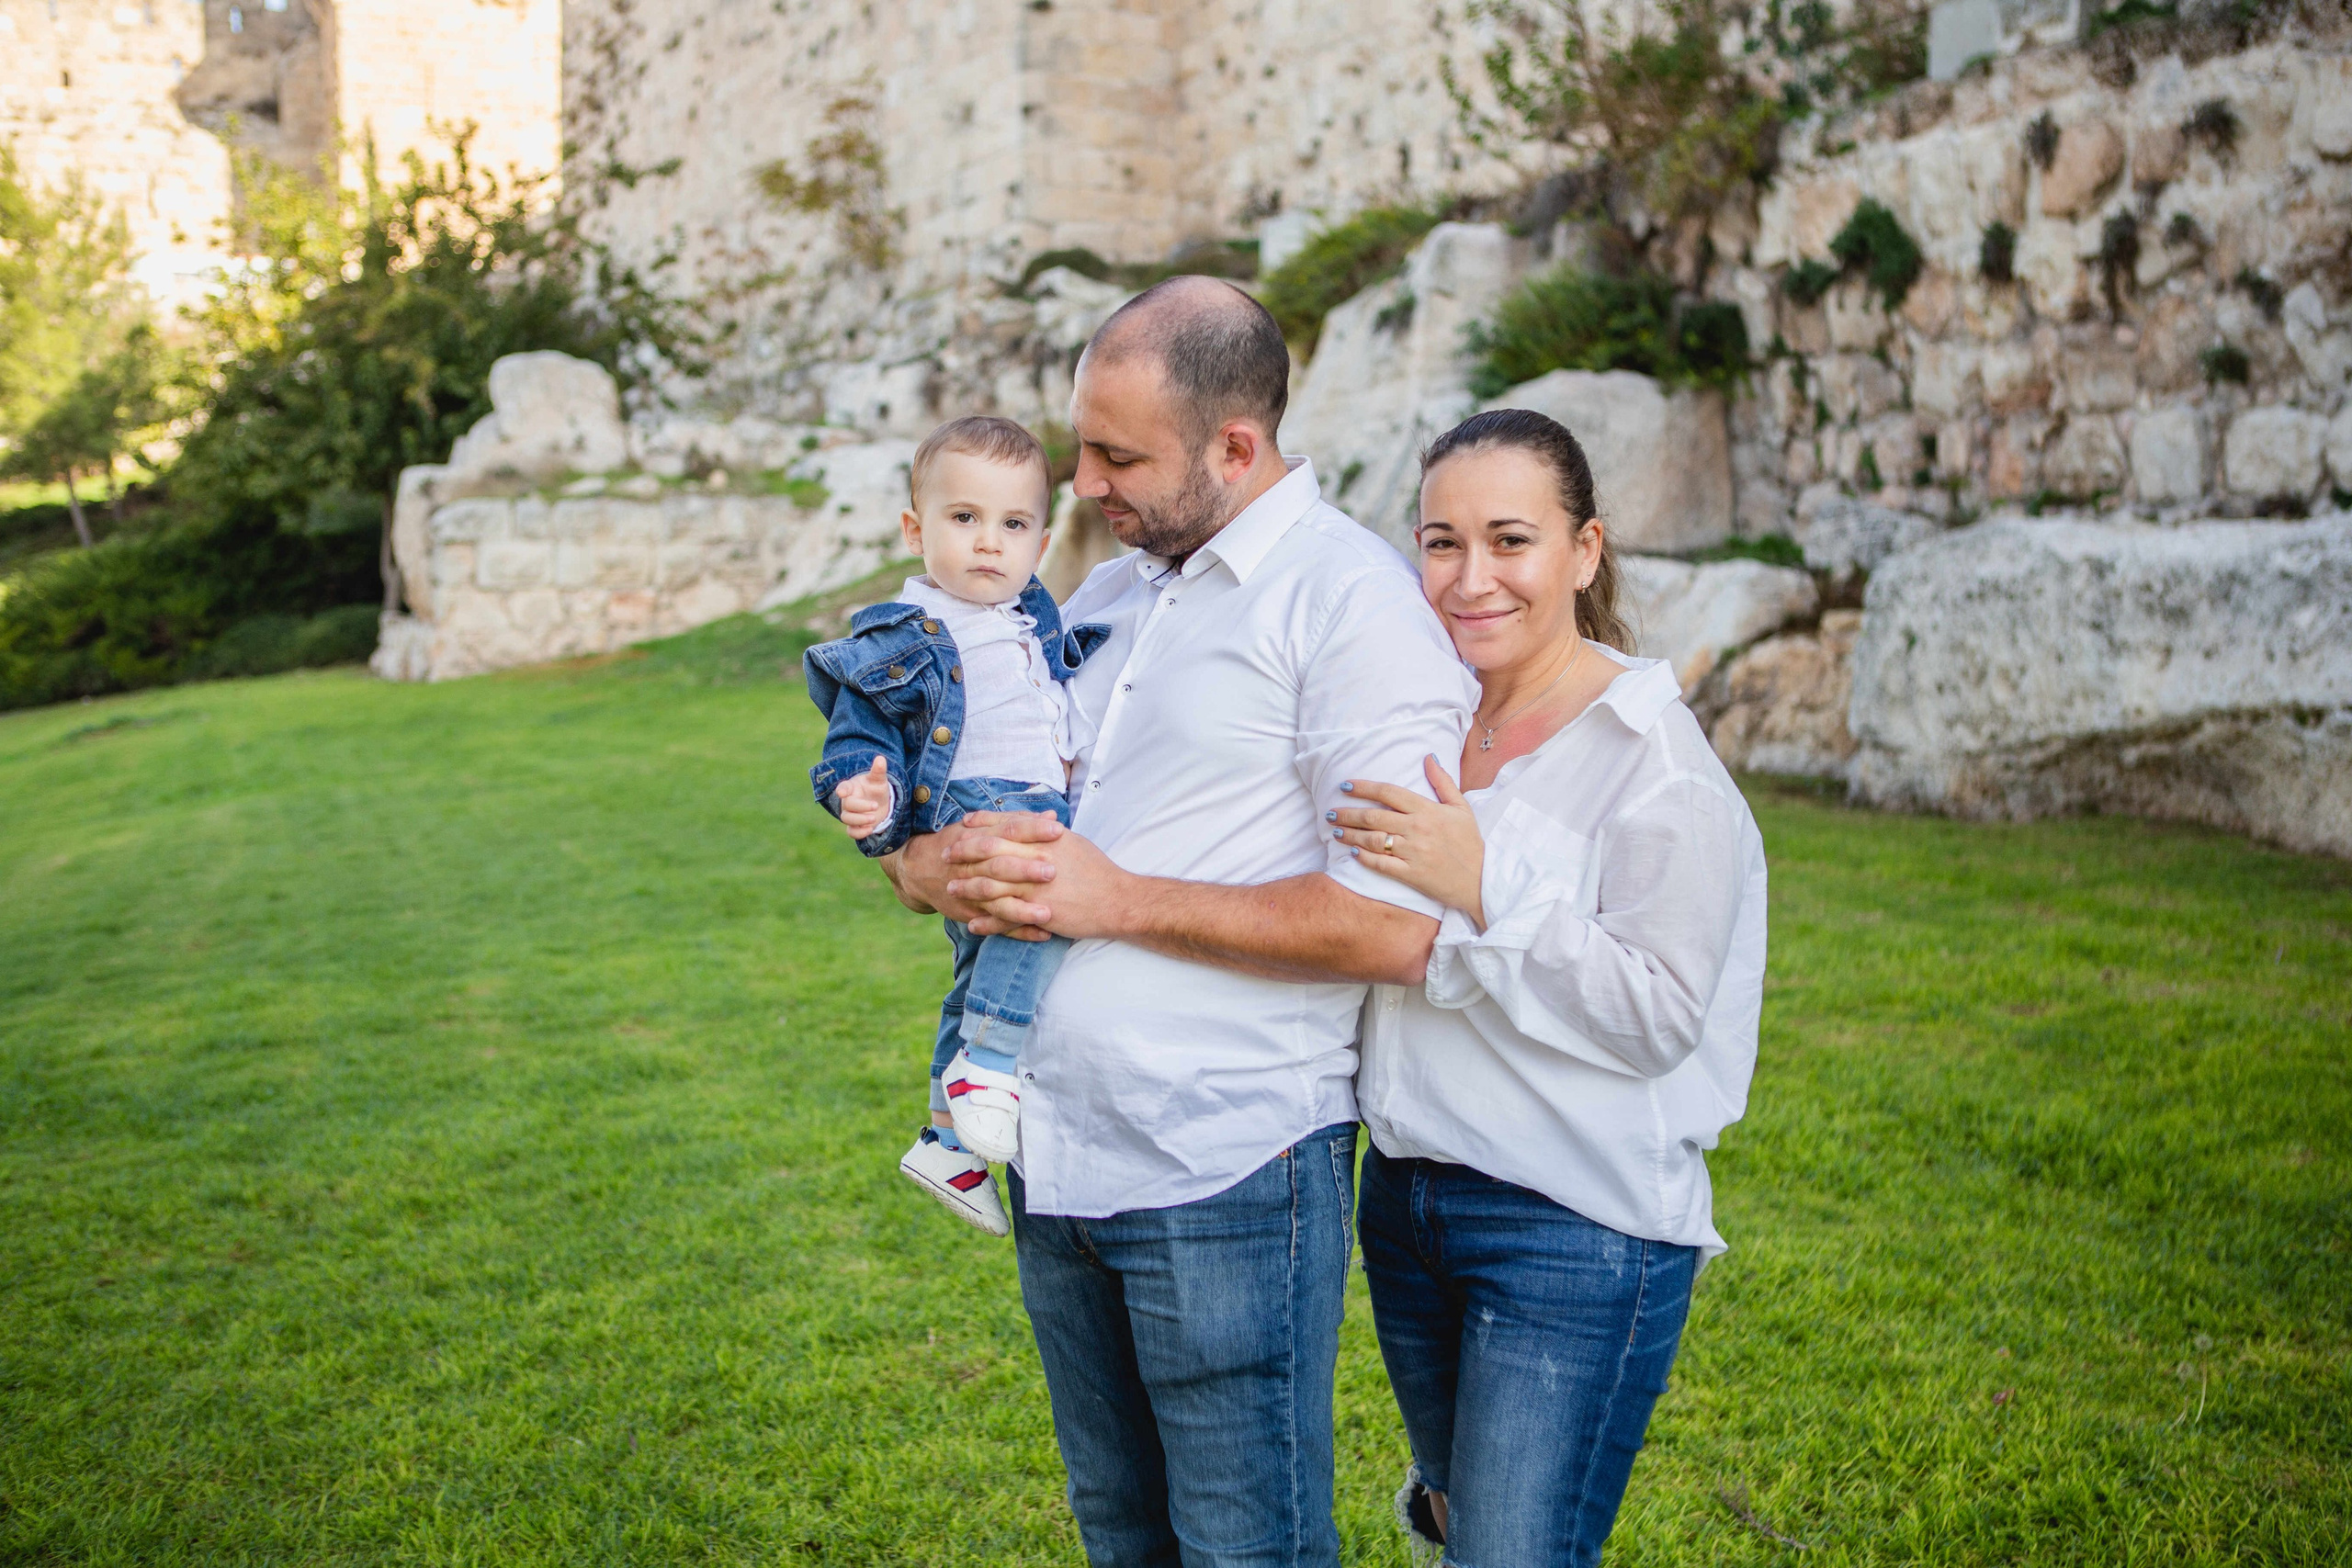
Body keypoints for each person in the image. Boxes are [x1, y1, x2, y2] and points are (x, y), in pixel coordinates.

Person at [882, 276, 1477, 1567]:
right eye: (1079, 444)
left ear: (1236, 448)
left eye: (1116, 454)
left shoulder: (1352, 606)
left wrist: (1121, 897)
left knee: (1246, 1547)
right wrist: (929, 863)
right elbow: (953, 830)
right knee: (1122, 1538)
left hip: (1226, 1167)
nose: (1078, 481)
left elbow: (1391, 926)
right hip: (1054, 1154)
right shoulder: (1097, 601)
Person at [1327, 408, 1768, 1568]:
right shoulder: (1420, 718)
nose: (1470, 579)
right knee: (1463, 1523)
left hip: (1572, 1226)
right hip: (1409, 1205)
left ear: (1584, 551)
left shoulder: (1654, 762)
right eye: (1439, 543)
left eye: (1509, 541)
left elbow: (1659, 1014)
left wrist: (1488, 886)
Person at [803, 415, 1108, 1235]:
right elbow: (858, 739)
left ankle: (948, 1141)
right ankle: (994, 1060)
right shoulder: (904, 635)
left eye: (1012, 525)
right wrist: (862, 797)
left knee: (976, 968)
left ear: (1041, 541)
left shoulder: (1030, 617)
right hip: (987, 804)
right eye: (963, 518)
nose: (988, 543)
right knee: (1046, 907)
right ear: (916, 529)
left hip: (1030, 796)